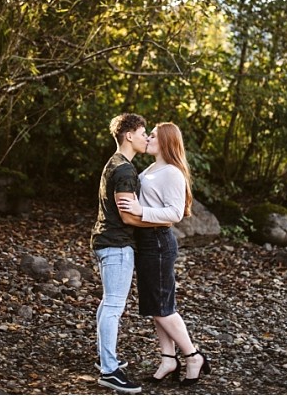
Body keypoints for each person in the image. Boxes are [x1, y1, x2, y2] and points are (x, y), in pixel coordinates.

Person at [117, 122, 211, 386]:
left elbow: (174, 213)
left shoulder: (171, 173)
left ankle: (193, 356)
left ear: (167, 141)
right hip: (147, 242)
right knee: (157, 306)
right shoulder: (153, 168)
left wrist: (139, 211)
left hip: (158, 242)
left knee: (163, 308)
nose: (147, 138)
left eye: (154, 136)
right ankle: (168, 358)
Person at [90, 113, 169, 394]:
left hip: (108, 242)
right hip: (117, 244)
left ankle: (105, 359)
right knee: (113, 306)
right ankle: (110, 372)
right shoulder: (124, 170)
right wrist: (163, 220)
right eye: (143, 131)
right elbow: (128, 217)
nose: (147, 136)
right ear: (129, 136)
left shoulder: (117, 164)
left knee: (107, 305)